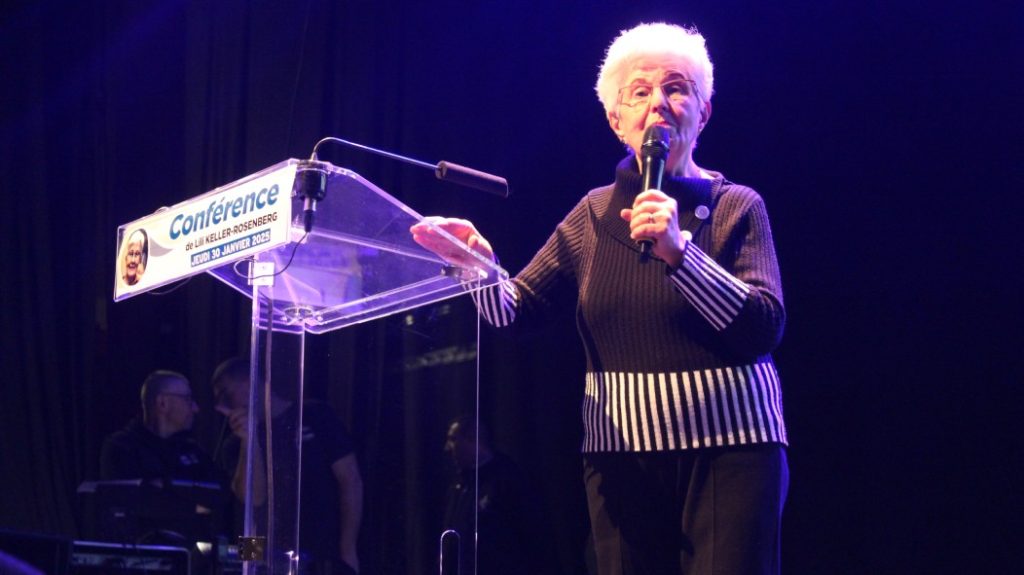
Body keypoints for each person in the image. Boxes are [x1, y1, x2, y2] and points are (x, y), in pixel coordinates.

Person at [412, 22, 789, 575]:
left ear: (703, 112)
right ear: (617, 120)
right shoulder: (592, 215)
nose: (658, 103)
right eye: (639, 92)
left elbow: (764, 325)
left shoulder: (737, 206)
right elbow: (515, 312)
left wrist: (681, 253)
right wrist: (478, 269)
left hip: (732, 454)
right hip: (621, 457)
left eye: (676, 87)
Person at [212, 358, 363, 575]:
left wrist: (348, 547)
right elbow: (252, 500)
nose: (222, 405)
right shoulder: (234, 444)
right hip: (260, 552)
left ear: (250, 382)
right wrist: (249, 438)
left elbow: (350, 480)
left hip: (320, 550)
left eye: (225, 394)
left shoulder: (315, 414)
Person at [99, 370, 228, 543]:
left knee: (253, 553)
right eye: (188, 399)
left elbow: (219, 497)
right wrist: (194, 505)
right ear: (162, 403)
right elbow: (133, 501)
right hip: (142, 558)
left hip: (199, 557)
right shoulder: (121, 447)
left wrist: (165, 487)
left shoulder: (192, 450)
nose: (196, 408)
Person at [441, 416, 551, 575]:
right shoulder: (460, 484)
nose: (447, 448)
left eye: (453, 440)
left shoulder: (507, 478)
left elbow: (530, 534)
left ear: (472, 439)